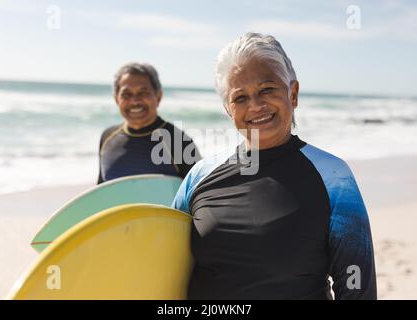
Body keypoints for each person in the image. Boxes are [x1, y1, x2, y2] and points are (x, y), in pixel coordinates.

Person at [172, 33, 376, 299]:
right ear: (227, 109)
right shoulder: (199, 176)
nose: (256, 105)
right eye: (240, 97)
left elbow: (357, 287)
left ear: (293, 93)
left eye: (267, 89)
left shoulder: (334, 177)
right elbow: (168, 267)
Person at [98, 62, 201, 184]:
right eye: (126, 94)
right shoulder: (107, 137)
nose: (135, 101)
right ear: (116, 99)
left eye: (143, 93)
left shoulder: (178, 141)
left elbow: (201, 194)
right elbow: (101, 191)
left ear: (158, 97)